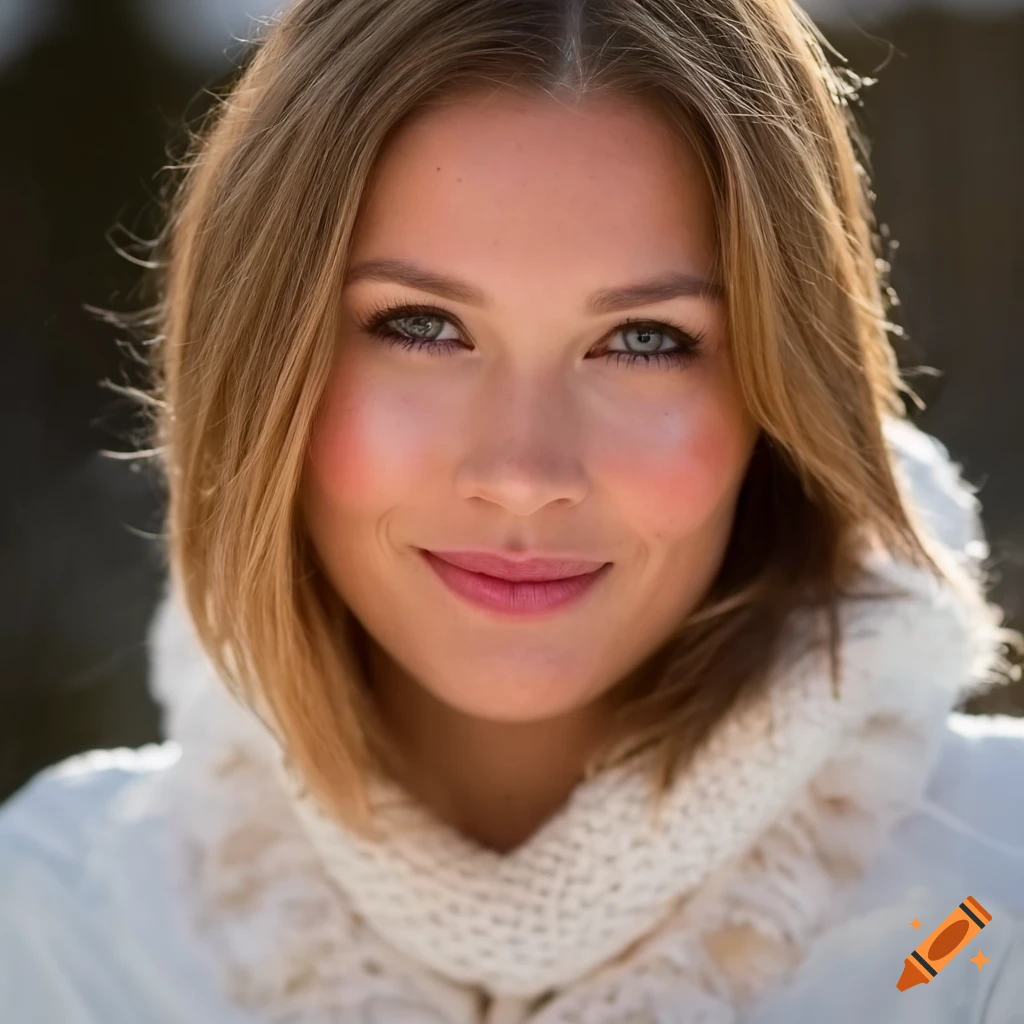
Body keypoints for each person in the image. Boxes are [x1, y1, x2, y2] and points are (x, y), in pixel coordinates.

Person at [1, 0, 1022, 1020]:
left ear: (780, 386)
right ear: (260, 355)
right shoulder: (64, 918)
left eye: (643, 339)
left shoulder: (989, 900)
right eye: (421, 325)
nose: (524, 470)